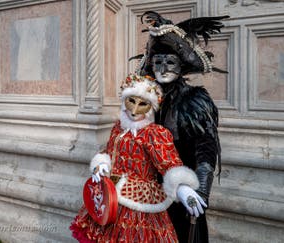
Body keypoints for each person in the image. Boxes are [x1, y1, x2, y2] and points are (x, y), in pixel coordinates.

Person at [70, 73, 206, 242]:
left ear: (151, 107)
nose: (134, 110)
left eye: (142, 104)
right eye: (131, 101)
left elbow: (168, 163)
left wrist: (182, 188)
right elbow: (109, 151)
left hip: (139, 200)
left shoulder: (154, 133)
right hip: (109, 197)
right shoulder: (118, 128)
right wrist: (101, 164)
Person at [135, 11, 228, 243]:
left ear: (181, 65)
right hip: (149, 194)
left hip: (182, 194)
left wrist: (198, 192)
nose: (163, 68)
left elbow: (206, 149)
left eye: (170, 62)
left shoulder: (194, 100)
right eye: (158, 62)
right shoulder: (143, 100)